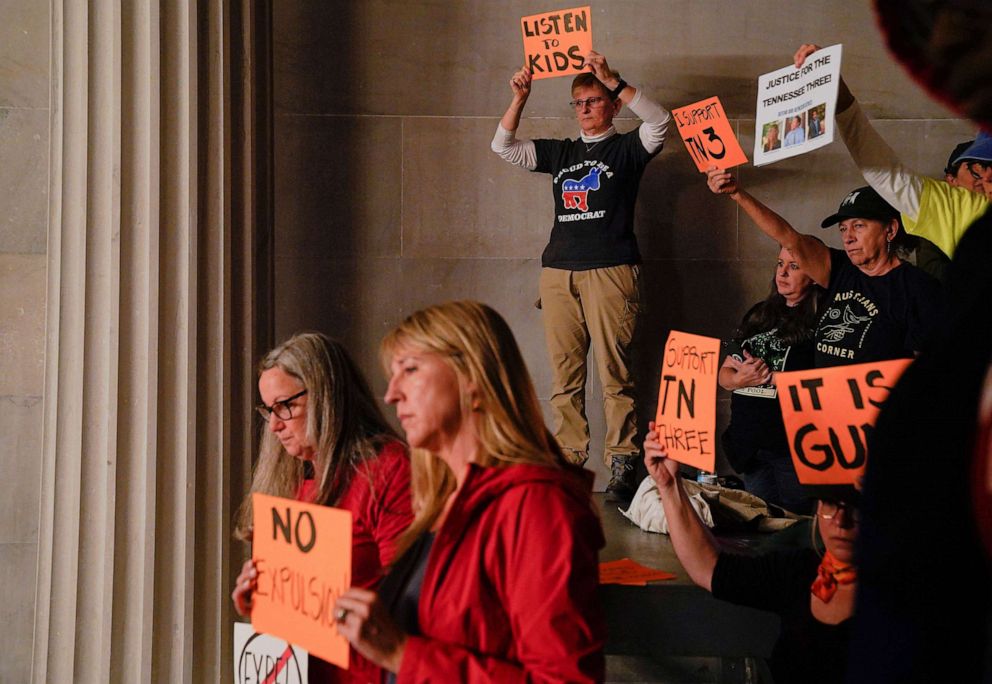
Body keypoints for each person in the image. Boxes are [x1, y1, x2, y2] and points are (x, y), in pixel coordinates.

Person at [331, 301, 606, 682]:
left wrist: (403, 655)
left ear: (473, 379)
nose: (391, 394)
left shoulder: (537, 506)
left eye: (410, 370)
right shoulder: (440, 504)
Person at [491, 50, 672, 502]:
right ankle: (569, 461)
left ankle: (623, 463)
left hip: (610, 270)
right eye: (579, 103)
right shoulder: (563, 151)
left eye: (594, 100)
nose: (586, 109)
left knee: (616, 374)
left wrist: (615, 80)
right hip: (559, 272)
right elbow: (504, 147)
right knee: (565, 376)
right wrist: (520, 98)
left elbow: (661, 122)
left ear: (611, 105)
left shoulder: (627, 148)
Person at [231, 332, 413, 683]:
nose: (274, 425)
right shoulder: (294, 482)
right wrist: (263, 603)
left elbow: (409, 600)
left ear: (326, 396)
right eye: (268, 410)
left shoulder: (388, 469)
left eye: (286, 406)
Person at [644, 427, 858, 683]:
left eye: (856, 508)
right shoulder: (799, 570)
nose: (840, 520)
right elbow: (710, 568)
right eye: (830, 504)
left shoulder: (903, 590)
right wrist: (669, 485)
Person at [706, 170, 941, 367]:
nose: (848, 237)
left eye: (858, 226)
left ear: (890, 230)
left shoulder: (918, 288)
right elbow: (789, 239)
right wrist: (738, 194)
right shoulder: (840, 269)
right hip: (827, 416)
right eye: (843, 229)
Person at [793, 44, 991, 260]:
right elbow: (883, 171)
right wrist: (832, 84)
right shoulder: (959, 209)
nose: (988, 180)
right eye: (981, 170)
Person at [719, 247, 823, 514]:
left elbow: (823, 381)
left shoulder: (821, 318)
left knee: (796, 526)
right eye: (779, 264)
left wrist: (769, 378)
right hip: (750, 445)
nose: (783, 272)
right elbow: (724, 374)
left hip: (792, 446)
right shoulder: (759, 314)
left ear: (812, 274)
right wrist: (739, 378)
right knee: (761, 525)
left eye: (794, 266)